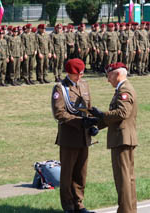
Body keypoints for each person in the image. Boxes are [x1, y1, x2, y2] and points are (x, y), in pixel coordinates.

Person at [90, 62, 138, 213]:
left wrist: (101, 115)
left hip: (121, 139)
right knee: (127, 179)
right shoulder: (122, 89)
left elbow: (122, 113)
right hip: (122, 138)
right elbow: (117, 116)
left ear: (117, 74)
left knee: (123, 180)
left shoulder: (124, 90)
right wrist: (97, 123)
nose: (107, 79)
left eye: (109, 75)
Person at [51, 58, 97, 213]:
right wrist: (80, 122)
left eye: (82, 73)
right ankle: (69, 206)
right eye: (77, 74)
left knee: (81, 173)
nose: (80, 76)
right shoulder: (60, 88)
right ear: (69, 73)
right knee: (67, 175)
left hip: (84, 137)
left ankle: (79, 203)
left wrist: (92, 125)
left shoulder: (84, 85)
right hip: (69, 137)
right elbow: (59, 113)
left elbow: (88, 108)